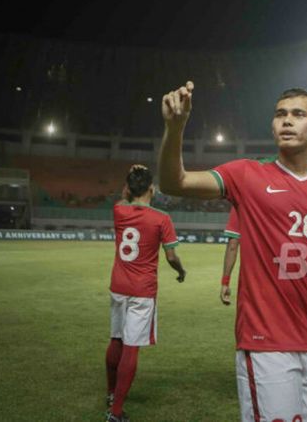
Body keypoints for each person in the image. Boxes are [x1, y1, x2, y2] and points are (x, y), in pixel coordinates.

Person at [158, 81, 307, 422]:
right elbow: (176, 183)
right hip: (265, 345)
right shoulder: (246, 174)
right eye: (280, 115)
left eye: (298, 114)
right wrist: (175, 129)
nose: (287, 121)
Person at [105, 165, 187, 422]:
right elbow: (171, 256)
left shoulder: (119, 210)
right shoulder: (162, 218)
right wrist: (181, 270)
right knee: (132, 347)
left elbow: (122, 197)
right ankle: (116, 412)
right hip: (142, 290)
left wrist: (127, 180)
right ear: (152, 188)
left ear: (128, 189)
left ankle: (110, 393)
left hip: (118, 286)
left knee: (116, 339)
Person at [220, 206, 240, 305]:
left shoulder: (241, 202)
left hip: (253, 277)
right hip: (284, 272)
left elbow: (232, 246)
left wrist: (225, 282)